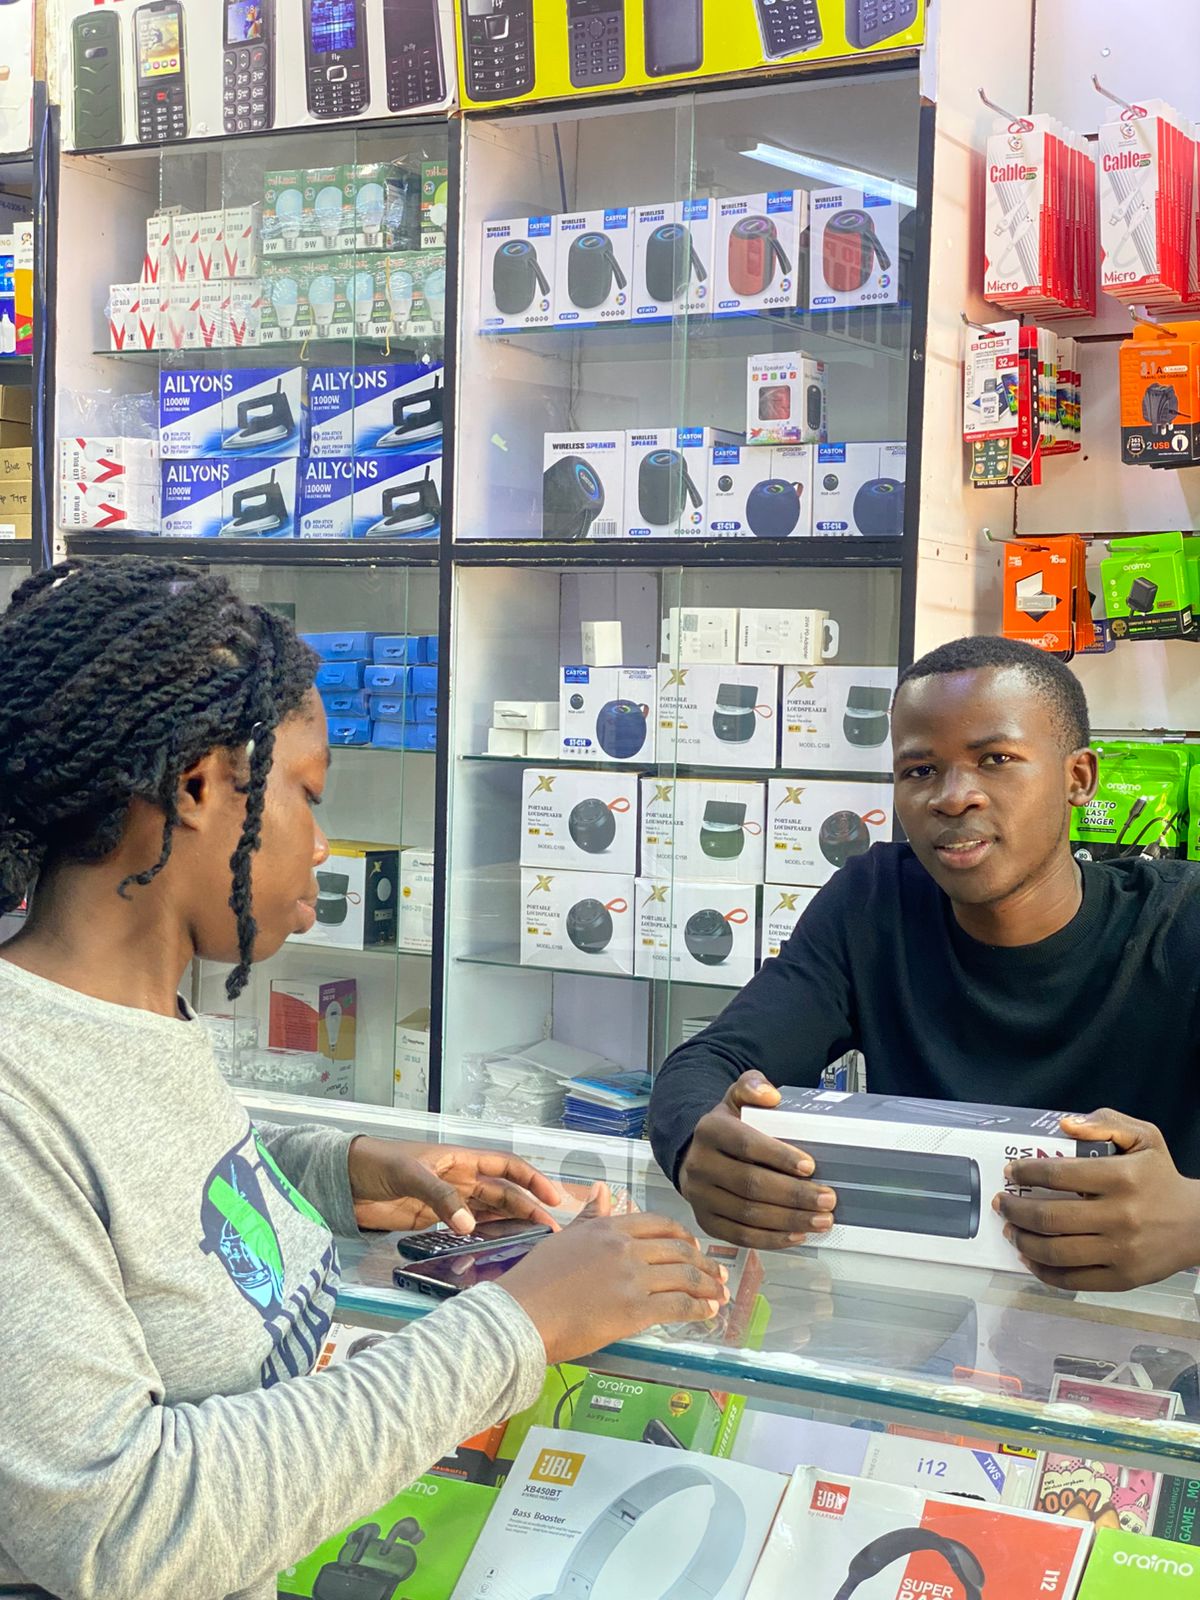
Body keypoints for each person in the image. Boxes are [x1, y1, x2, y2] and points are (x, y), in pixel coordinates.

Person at [0, 559, 726, 1600]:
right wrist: (518, 1325)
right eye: (307, 792)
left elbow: (140, 1196)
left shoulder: (139, 1018)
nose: (325, 841)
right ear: (196, 787)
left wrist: (331, 1174)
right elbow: (122, 1528)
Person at [649, 635, 1200, 1293]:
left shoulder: (1183, 924)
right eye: (919, 771)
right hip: (922, 1309)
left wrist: (1193, 1221)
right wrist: (698, 1148)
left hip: (1154, 1326)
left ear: (1078, 778)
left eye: (996, 759)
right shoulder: (875, 902)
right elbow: (709, 1063)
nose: (953, 797)